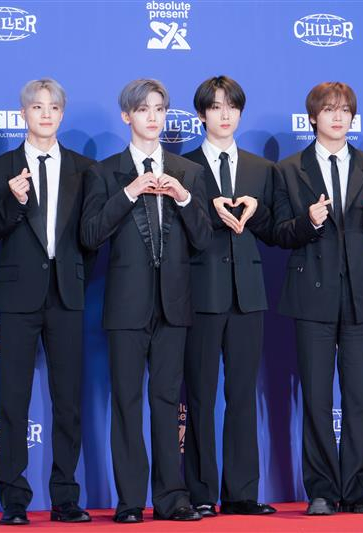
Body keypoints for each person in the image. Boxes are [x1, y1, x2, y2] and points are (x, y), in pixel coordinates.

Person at [80, 78, 212, 523]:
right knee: (126, 402)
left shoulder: (188, 172)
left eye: (159, 109)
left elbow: (203, 238)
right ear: (127, 116)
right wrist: (130, 192)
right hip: (125, 306)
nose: (153, 117)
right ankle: (131, 500)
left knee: (167, 402)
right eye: (143, 109)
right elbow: (90, 234)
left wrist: (184, 196)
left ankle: (172, 498)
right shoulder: (106, 172)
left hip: (174, 304)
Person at [0, 78, 95, 526]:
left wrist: (77, 273)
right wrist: (13, 201)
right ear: (22, 113)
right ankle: (13, 500)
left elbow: (91, 236)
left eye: (53, 107)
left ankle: (66, 497)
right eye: (36, 107)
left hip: (67, 294)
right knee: (13, 400)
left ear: (62, 114)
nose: (45, 114)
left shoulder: (86, 169)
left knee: (68, 402)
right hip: (16, 295)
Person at [272, 81, 363, 515]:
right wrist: (307, 222)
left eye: (344, 110)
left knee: (359, 396)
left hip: (360, 296)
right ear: (313, 117)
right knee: (317, 398)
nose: (337, 117)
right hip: (311, 295)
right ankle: (321, 489)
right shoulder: (288, 170)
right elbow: (278, 233)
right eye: (329, 109)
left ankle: (362, 488)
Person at [181, 75, 277, 518]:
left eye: (232, 107)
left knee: (242, 395)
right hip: (200, 293)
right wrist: (213, 215)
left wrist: (263, 217)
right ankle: (199, 492)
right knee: (199, 395)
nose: (225, 115)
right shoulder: (182, 166)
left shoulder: (262, 170)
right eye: (216, 107)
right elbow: (180, 233)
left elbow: (275, 230)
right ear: (201, 113)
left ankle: (241, 492)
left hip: (249, 295)